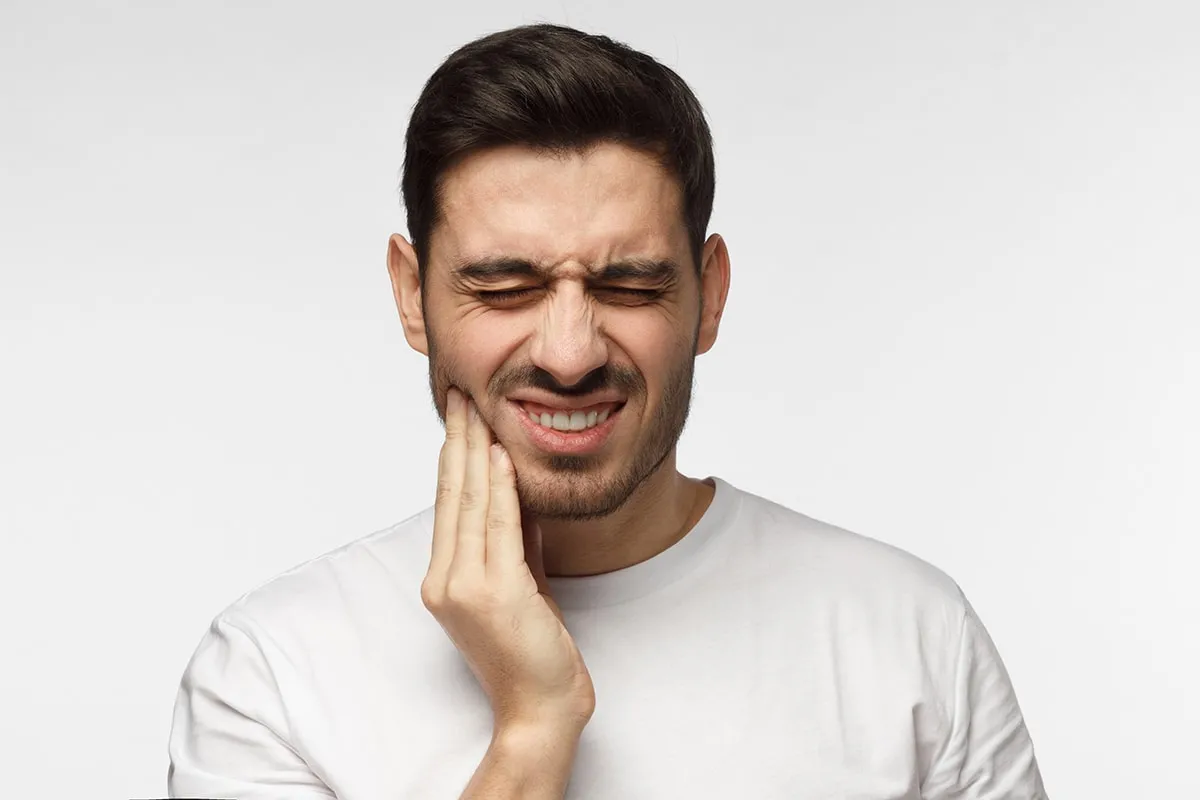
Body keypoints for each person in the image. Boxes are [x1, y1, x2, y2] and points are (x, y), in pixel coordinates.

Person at [167, 23, 1047, 800]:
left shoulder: (914, 639)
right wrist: (534, 730)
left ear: (709, 298)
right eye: (504, 287)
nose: (570, 352)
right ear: (411, 296)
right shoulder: (272, 675)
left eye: (629, 284)